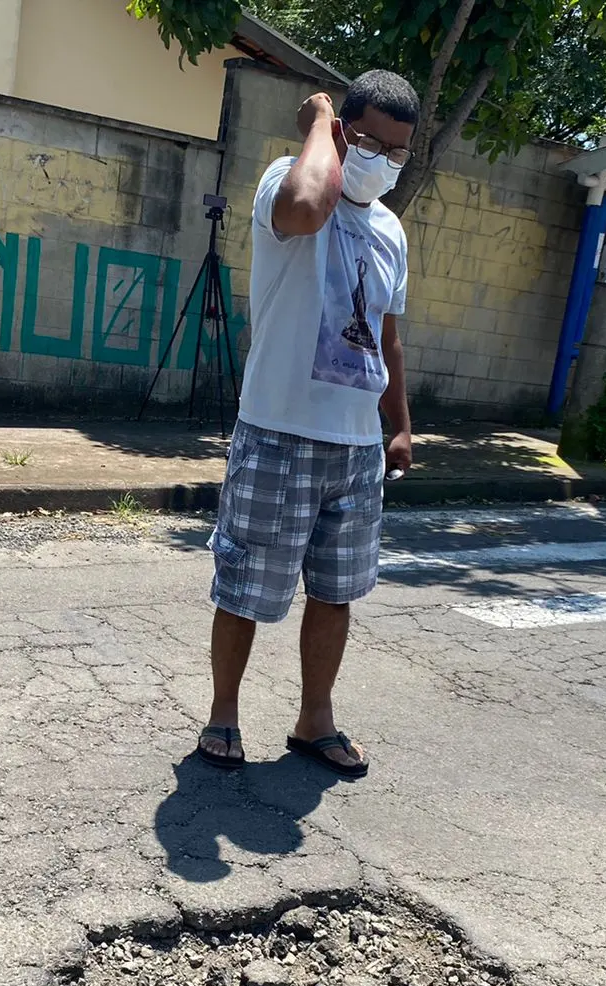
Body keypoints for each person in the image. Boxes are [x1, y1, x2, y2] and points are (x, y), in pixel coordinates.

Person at [196, 69, 418, 780]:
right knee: (246, 587)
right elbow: (306, 207)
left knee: (336, 592)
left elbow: (387, 338)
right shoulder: (282, 181)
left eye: (398, 151)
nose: (382, 159)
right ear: (341, 131)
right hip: (278, 431)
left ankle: (313, 719)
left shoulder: (390, 229)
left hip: (355, 449)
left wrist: (401, 425)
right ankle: (224, 713)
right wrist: (319, 125)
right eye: (369, 141)